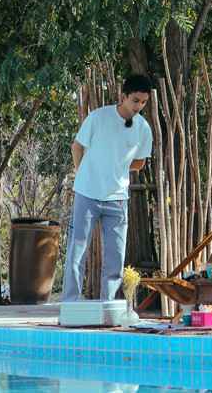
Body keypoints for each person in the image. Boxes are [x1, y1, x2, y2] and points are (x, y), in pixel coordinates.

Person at [61, 74, 154, 301]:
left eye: (144, 102)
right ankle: (70, 303)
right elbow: (77, 147)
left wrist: (116, 164)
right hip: (87, 194)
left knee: (115, 257)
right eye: (135, 100)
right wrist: (82, 173)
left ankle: (108, 305)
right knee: (77, 252)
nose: (139, 106)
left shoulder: (143, 128)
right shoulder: (98, 117)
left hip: (118, 198)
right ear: (123, 97)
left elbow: (140, 162)